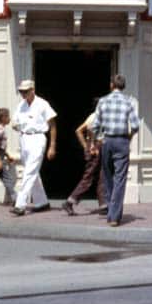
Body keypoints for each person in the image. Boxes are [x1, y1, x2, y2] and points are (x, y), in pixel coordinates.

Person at [92, 74, 140, 227]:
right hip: (122, 140)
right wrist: (129, 137)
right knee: (120, 178)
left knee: (107, 176)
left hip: (107, 140)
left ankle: (112, 211)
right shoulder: (128, 101)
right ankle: (114, 215)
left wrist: (96, 140)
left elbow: (95, 125)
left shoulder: (103, 101)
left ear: (112, 85)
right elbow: (135, 125)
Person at [10, 80, 56, 216]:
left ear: (32, 90)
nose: (23, 94)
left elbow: (52, 124)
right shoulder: (20, 106)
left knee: (29, 172)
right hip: (24, 138)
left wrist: (52, 146)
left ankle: (20, 204)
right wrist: (15, 124)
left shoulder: (42, 104)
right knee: (32, 172)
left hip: (38, 138)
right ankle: (42, 202)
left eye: (25, 91)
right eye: (21, 91)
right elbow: (15, 121)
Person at [62, 100, 106, 216]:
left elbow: (79, 131)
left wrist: (85, 146)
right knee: (89, 177)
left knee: (102, 175)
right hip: (96, 147)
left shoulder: (95, 116)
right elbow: (81, 131)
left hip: (97, 146)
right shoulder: (96, 117)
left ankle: (103, 205)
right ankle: (70, 201)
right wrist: (89, 146)